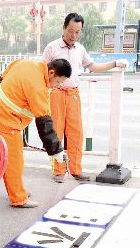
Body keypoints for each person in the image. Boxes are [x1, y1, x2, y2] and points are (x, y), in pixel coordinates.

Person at [42, 12, 128, 183]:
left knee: (75, 133)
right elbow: (42, 71)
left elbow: (93, 66)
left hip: (73, 94)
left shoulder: (80, 49)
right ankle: (58, 170)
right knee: (56, 131)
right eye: (71, 31)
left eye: (77, 32)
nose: (73, 35)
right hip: (56, 94)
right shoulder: (52, 48)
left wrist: (114, 63)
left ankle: (75, 169)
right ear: (64, 28)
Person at [0, 58, 69, 208]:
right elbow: (44, 122)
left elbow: (3, 76)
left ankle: (19, 190)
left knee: (15, 158)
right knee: (14, 162)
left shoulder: (29, 63)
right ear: (51, 73)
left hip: (3, 113)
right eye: (58, 82)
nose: (57, 86)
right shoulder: (38, 87)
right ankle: (18, 198)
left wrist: (13, 94)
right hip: (6, 121)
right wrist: (56, 151)